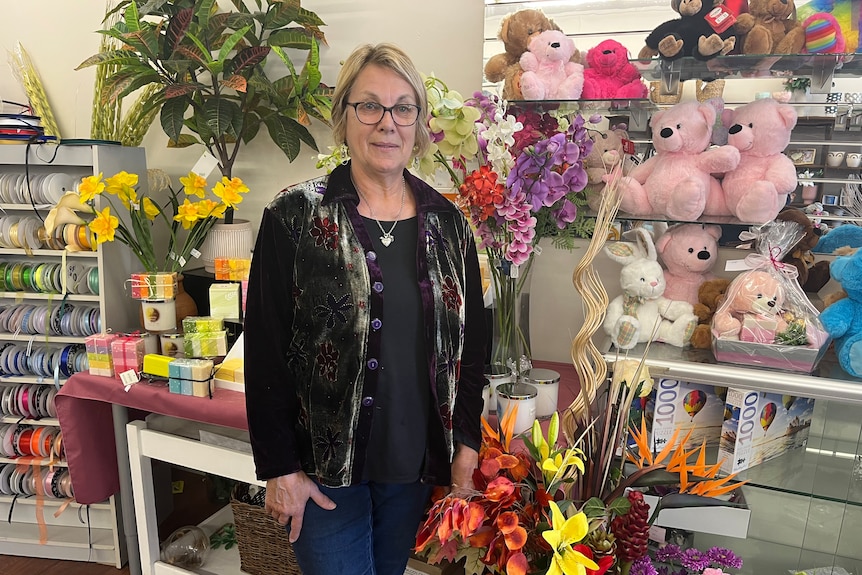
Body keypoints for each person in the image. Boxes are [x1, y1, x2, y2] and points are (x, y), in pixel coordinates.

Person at [243, 43, 487, 575]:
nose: (387, 123)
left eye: (403, 108)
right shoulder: (294, 216)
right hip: (324, 473)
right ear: (344, 116)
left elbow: (474, 345)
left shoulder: (448, 224)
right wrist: (280, 468)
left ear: (420, 123)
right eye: (369, 106)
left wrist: (466, 442)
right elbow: (264, 348)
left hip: (412, 469)